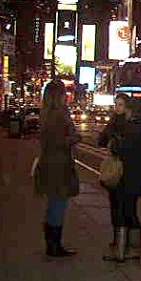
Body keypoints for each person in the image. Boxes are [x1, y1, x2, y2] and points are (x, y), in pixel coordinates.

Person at [99, 95, 141, 262]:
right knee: (129, 212)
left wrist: (115, 140)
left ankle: (122, 250)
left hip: (127, 176)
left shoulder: (135, 128)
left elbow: (120, 149)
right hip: (134, 176)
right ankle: (131, 248)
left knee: (122, 212)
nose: (123, 111)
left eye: (126, 108)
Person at [36, 80, 80, 257]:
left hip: (50, 163)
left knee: (54, 203)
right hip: (58, 164)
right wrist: (75, 138)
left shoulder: (47, 113)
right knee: (58, 203)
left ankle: (52, 243)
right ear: (58, 95)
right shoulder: (58, 115)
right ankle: (54, 245)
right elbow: (59, 141)